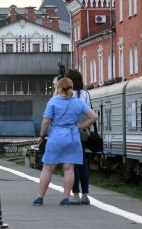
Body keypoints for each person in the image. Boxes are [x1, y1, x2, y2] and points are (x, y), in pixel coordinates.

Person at [33, 77, 97, 206]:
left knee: (48, 168)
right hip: (72, 137)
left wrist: (42, 135)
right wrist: (80, 126)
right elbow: (94, 116)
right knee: (69, 168)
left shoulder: (53, 102)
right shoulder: (78, 102)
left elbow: (46, 122)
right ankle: (66, 198)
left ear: (59, 88)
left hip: (56, 137)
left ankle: (40, 197)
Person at [66, 68, 92, 205]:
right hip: (83, 133)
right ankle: (85, 195)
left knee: (72, 164)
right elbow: (89, 113)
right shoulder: (85, 94)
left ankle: (75, 195)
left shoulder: (67, 95)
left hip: (70, 132)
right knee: (83, 164)